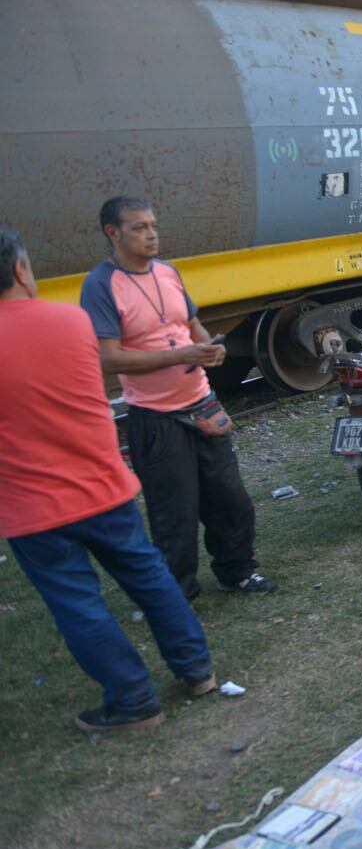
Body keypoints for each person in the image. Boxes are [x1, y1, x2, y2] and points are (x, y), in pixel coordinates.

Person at [0, 224, 215, 732]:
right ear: (20, 268)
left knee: (78, 603)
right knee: (149, 575)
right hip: (103, 483)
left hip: (32, 507)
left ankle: (134, 701)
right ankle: (197, 670)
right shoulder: (72, 322)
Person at [81, 197, 276, 599]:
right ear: (112, 233)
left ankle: (236, 570)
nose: (151, 234)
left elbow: (191, 325)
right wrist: (182, 354)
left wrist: (208, 347)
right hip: (155, 417)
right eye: (139, 227)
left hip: (201, 403)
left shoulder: (168, 272)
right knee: (175, 514)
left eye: (153, 225)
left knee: (231, 499)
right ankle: (180, 594)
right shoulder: (101, 284)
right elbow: (108, 358)